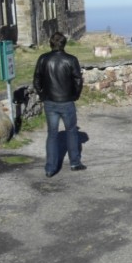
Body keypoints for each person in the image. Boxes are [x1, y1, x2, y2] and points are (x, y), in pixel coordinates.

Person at [33, 32, 86, 178]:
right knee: (71, 131)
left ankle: (50, 168)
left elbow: (36, 80)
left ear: (50, 43)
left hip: (50, 102)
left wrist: (42, 95)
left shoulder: (43, 58)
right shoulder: (71, 59)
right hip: (67, 101)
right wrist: (75, 95)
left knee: (52, 134)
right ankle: (75, 163)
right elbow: (78, 81)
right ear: (64, 44)